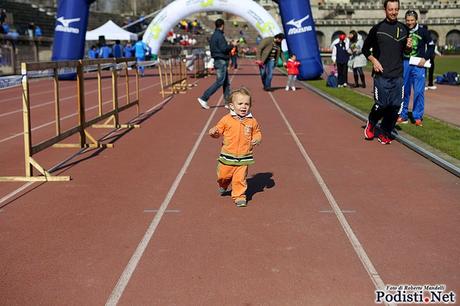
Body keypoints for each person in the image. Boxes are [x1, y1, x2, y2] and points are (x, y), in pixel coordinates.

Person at [362, 0, 411, 144]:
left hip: (398, 74)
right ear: (385, 9)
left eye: (396, 9)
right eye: (391, 9)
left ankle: (385, 131)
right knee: (382, 105)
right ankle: (371, 123)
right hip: (382, 75)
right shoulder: (377, 29)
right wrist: (374, 60)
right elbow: (365, 49)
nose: (394, 12)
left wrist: (408, 47)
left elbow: (405, 52)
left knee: (395, 106)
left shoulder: (403, 28)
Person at [208, 87, 262, 208]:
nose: (244, 107)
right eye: (240, 103)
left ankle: (239, 196)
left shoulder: (252, 121)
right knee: (223, 175)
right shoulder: (226, 119)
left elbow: (257, 132)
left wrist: (257, 138)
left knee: (240, 179)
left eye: (247, 104)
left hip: (244, 156)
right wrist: (214, 132)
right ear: (232, 106)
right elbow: (218, 131)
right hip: (227, 155)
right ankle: (223, 184)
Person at [397, 10, 435, 127]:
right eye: (407, 20)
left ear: (416, 20)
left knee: (419, 91)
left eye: (412, 20)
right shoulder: (402, 30)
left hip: (419, 63)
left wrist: (425, 58)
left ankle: (417, 116)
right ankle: (403, 115)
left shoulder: (423, 31)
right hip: (405, 62)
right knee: (405, 90)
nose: (409, 23)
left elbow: (431, 45)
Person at [197, 18, 234, 109]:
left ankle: (227, 102)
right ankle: (204, 98)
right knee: (220, 82)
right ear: (222, 26)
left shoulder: (214, 35)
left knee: (226, 83)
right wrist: (232, 45)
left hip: (218, 60)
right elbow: (224, 49)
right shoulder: (219, 36)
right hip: (220, 60)